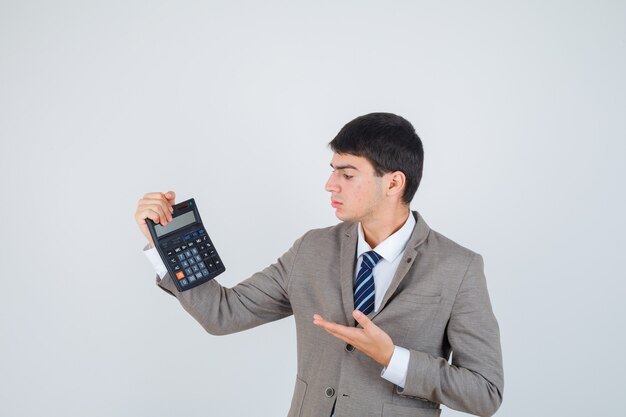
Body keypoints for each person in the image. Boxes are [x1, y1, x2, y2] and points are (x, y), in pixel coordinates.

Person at [135, 112, 504, 417]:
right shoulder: (311, 249)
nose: (330, 184)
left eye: (347, 174)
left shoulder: (460, 268)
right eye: (332, 170)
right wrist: (162, 245)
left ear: (393, 183)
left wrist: (394, 358)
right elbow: (223, 313)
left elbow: (485, 393)